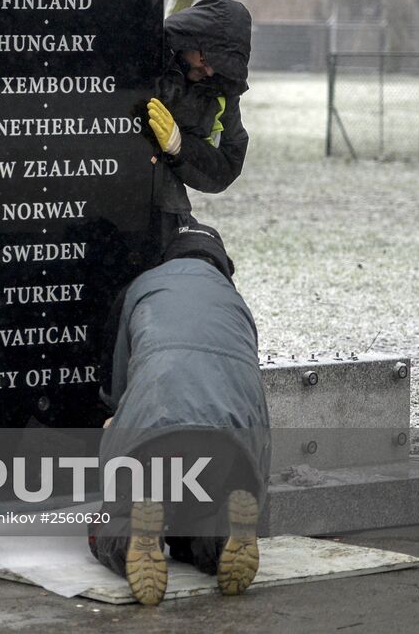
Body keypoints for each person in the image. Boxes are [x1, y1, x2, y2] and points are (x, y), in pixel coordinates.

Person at [90, 223, 270, 605]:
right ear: (222, 266)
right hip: (230, 440)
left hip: (156, 424)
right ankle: (221, 537)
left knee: (112, 522)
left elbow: (116, 389)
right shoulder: (236, 304)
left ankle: (135, 532)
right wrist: (253, 477)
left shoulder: (143, 288)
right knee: (199, 516)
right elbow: (250, 394)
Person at [147, 0, 253, 240]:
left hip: (166, 208)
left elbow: (227, 167)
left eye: (219, 63)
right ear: (187, 39)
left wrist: (180, 146)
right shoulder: (145, 55)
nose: (210, 70)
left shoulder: (221, 89)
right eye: (206, 58)